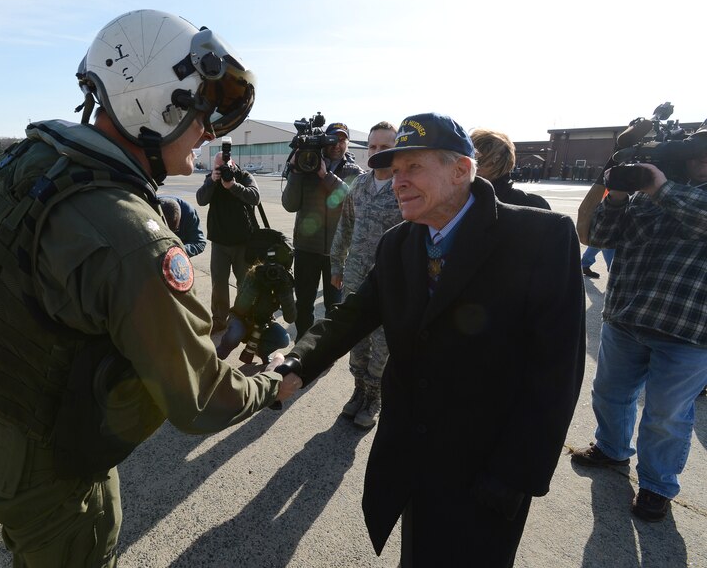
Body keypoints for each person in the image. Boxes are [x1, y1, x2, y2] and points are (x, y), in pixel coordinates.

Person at [0, 10, 302, 567]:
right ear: (155, 106)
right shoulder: (134, 242)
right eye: (200, 112)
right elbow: (199, 400)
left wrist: (150, 210)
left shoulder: (29, 162)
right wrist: (270, 385)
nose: (207, 131)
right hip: (48, 469)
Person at [271, 113, 585, 566]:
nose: (398, 181)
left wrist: (515, 474)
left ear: (461, 169)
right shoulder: (399, 243)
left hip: (487, 467)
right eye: (394, 170)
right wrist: (296, 363)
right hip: (412, 455)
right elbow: (353, 315)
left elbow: (557, 372)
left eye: (413, 167)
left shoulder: (540, 238)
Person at [570, 138, 707, 522]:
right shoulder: (649, 193)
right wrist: (614, 197)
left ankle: (657, 485)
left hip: (689, 330)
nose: (701, 158)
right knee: (610, 394)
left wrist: (659, 186)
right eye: (696, 151)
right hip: (627, 317)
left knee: (666, 415)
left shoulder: (661, 189)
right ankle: (611, 448)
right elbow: (601, 237)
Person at [329, 121, 402, 429]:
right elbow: (344, 226)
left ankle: (374, 398)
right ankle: (358, 392)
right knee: (356, 339)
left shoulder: (405, 187)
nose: (377, 152)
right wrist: (337, 265)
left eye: (385, 147)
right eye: (372, 146)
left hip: (390, 282)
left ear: (397, 149)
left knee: (382, 346)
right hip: (356, 278)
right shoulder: (359, 185)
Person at [282, 121, 364, 339]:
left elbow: (352, 200)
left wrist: (325, 175)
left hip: (337, 252)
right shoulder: (306, 164)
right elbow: (289, 205)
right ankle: (301, 344)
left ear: (348, 143)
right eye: (332, 140)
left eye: (342, 140)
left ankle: (327, 347)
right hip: (306, 248)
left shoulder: (354, 171)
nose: (337, 145)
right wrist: (296, 170)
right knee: (304, 303)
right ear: (323, 141)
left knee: (334, 305)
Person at [196, 153, 260, 332]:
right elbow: (201, 200)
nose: (222, 170)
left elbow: (255, 197)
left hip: (243, 242)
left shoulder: (244, 177)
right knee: (219, 284)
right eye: (218, 167)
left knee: (245, 284)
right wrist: (212, 181)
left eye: (224, 167)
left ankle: (243, 319)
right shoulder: (211, 180)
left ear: (232, 164)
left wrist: (233, 186)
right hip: (219, 243)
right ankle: (219, 320)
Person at [216, 230, 296, 364]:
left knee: (283, 339)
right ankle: (219, 355)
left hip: (264, 323)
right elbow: (240, 308)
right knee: (235, 334)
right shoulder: (255, 273)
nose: (273, 272)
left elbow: (290, 318)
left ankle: (262, 350)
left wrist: (285, 292)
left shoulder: (284, 280)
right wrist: (256, 285)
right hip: (241, 319)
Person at [470, 128, 550, 209]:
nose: (471, 166)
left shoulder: (533, 205)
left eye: (478, 161)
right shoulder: (461, 200)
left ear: (498, 161)